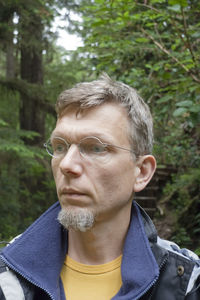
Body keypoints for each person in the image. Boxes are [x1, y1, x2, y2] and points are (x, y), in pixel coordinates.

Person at [0, 74, 200, 300]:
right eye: (59, 147)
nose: (67, 165)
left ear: (142, 172)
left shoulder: (186, 283)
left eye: (95, 148)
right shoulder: (8, 275)